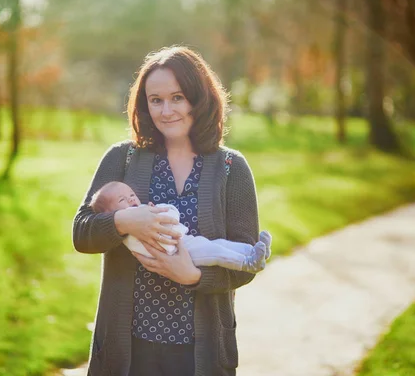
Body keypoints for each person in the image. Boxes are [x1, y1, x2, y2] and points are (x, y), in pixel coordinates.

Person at [73, 46, 261, 376]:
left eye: (178, 97)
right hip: (129, 350)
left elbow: (246, 262)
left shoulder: (232, 168)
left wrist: (192, 276)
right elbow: (81, 233)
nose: (166, 110)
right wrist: (125, 220)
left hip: (198, 355)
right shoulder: (123, 158)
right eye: (155, 99)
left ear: (199, 98)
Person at [89, 181, 271, 273]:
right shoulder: (128, 232)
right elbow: (173, 218)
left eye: (131, 194)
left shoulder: (142, 212)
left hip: (186, 242)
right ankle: (247, 262)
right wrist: (164, 211)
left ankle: (252, 251)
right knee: (216, 253)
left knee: (220, 244)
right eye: (122, 200)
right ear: (111, 215)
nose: (130, 199)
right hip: (178, 252)